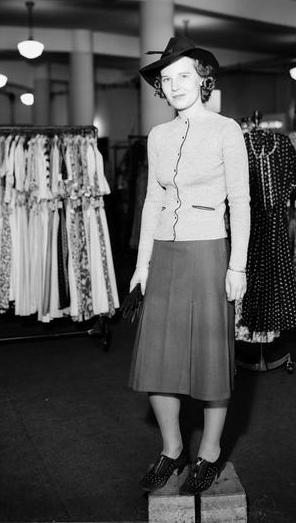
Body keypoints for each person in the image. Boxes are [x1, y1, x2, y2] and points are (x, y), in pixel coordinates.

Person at [128, 36, 250, 495]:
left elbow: (240, 200)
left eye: (184, 76)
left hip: (208, 254)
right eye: (166, 79)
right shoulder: (158, 137)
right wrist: (142, 265)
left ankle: (211, 452)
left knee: (210, 359)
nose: (175, 85)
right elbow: (152, 200)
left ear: (203, 80)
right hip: (164, 254)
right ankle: (172, 449)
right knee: (158, 359)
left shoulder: (226, 130)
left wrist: (236, 266)